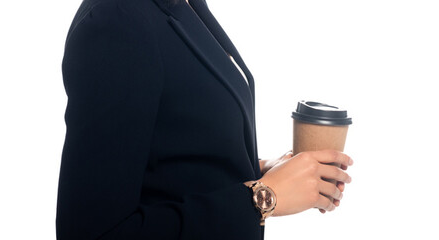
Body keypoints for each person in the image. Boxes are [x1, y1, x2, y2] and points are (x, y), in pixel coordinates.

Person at [55, 0, 354, 239]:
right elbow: (93, 233)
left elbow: (170, 154)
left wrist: (261, 170)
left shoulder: (186, 5)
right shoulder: (118, 20)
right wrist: (263, 197)